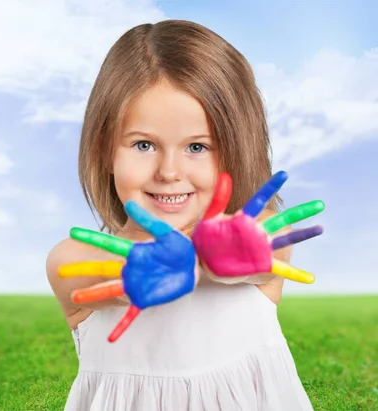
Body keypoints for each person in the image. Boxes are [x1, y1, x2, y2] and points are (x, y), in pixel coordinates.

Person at [46, 20, 315, 411]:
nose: (169, 171)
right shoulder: (75, 259)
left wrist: (219, 257)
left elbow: (271, 250)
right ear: (105, 150)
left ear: (236, 147)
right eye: (143, 144)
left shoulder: (253, 233)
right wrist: (136, 268)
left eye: (197, 147)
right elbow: (86, 270)